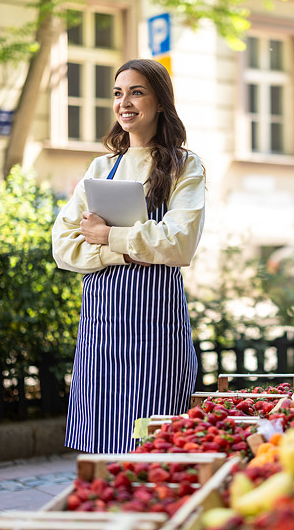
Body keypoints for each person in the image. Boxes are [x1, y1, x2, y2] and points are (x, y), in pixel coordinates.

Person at [52, 59, 205, 453]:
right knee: (102, 446)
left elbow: (178, 243)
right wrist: (127, 252)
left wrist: (105, 235)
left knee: (150, 444)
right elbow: (64, 246)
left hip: (156, 333)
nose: (125, 102)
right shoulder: (100, 168)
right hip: (100, 333)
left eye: (137, 92)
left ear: (159, 102)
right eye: (118, 94)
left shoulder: (184, 166)